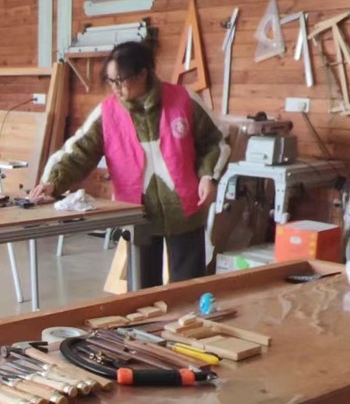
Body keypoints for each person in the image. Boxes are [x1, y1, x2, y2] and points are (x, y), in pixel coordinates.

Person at [31, 41, 230, 288]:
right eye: (111, 81)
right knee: (142, 292)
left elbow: (217, 140)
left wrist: (209, 175)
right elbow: (77, 152)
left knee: (188, 290)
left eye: (121, 80)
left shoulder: (183, 100)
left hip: (186, 210)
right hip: (137, 214)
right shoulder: (107, 113)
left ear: (143, 74)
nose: (116, 88)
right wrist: (53, 182)